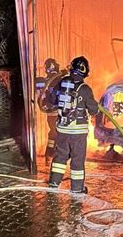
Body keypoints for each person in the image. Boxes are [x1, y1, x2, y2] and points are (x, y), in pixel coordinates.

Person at [48, 56, 99, 193]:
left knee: (60, 157)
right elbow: (94, 110)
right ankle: (77, 189)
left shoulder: (62, 82)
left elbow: (52, 99)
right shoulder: (85, 89)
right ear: (85, 71)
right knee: (77, 159)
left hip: (63, 129)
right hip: (78, 133)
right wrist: (95, 106)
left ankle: (53, 183)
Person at [36, 58, 61, 163]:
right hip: (58, 112)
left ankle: (49, 156)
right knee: (58, 133)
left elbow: (41, 95)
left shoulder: (44, 81)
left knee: (54, 133)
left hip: (52, 113)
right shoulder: (60, 79)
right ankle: (52, 157)